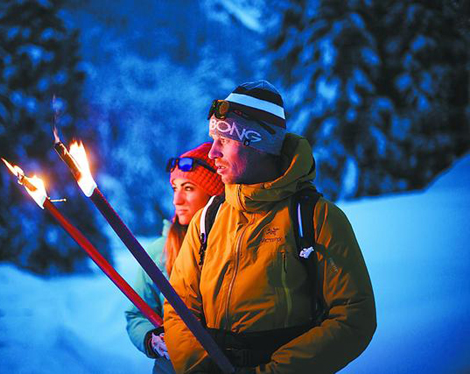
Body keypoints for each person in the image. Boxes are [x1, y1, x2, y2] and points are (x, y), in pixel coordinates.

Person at [163, 80, 377, 373]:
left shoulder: (314, 218)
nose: (212, 154)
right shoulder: (208, 218)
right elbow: (179, 306)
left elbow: (353, 317)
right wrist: (199, 368)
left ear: (257, 144)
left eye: (223, 141)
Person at [125, 142, 224, 374]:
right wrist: (151, 339)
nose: (176, 200)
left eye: (188, 188)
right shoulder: (159, 253)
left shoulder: (234, 246)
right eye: (174, 188)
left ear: (214, 194)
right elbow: (136, 313)